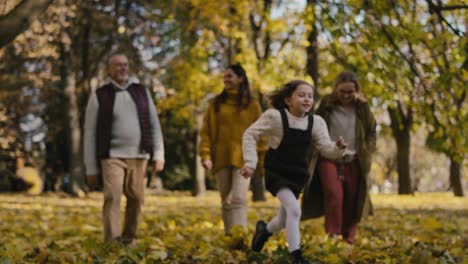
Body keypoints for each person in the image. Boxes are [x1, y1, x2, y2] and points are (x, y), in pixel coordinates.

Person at [241, 80, 347, 263]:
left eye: (310, 96)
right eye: (301, 95)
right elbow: (250, 134)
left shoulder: (315, 122)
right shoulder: (275, 117)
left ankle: (264, 231)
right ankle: (296, 257)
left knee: (284, 219)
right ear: (288, 100)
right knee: (294, 210)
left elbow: (326, 148)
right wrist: (250, 162)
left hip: (297, 175)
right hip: (277, 172)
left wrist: (337, 148)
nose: (307, 99)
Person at [83, 52, 165, 246]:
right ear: (109, 70)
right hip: (111, 156)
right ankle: (112, 241)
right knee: (112, 196)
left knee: (136, 198)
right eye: (118, 65)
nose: (122, 69)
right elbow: (90, 133)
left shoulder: (141, 92)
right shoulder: (100, 95)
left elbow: (154, 124)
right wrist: (90, 168)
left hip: (139, 155)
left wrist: (159, 154)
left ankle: (128, 239)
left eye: (125, 65)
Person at [305, 71, 376, 244]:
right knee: (334, 194)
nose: (346, 96)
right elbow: (313, 126)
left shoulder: (363, 108)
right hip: (328, 156)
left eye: (350, 92)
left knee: (352, 198)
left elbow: (371, 132)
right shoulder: (326, 105)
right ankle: (333, 235)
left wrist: (366, 151)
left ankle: (348, 237)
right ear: (336, 89)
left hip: (354, 158)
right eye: (342, 91)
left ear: (356, 90)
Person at [199, 63, 266, 235]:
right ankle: (230, 236)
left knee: (238, 199)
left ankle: (240, 237)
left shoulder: (252, 104)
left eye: (230, 76)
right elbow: (206, 131)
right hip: (220, 157)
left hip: (245, 158)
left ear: (240, 78)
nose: (226, 79)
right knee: (225, 200)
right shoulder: (215, 104)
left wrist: (260, 156)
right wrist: (206, 155)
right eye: (225, 76)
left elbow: (261, 131)